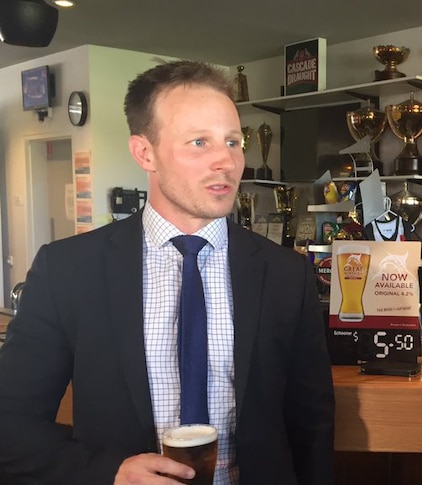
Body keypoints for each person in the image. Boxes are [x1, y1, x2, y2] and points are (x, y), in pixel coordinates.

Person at [0, 60, 334, 485]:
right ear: (145, 152)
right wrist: (110, 473)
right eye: (199, 142)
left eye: (233, 141)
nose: (226, 162)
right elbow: (9, 425)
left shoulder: (286, 274)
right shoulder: (68, 271)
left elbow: (312, 425)